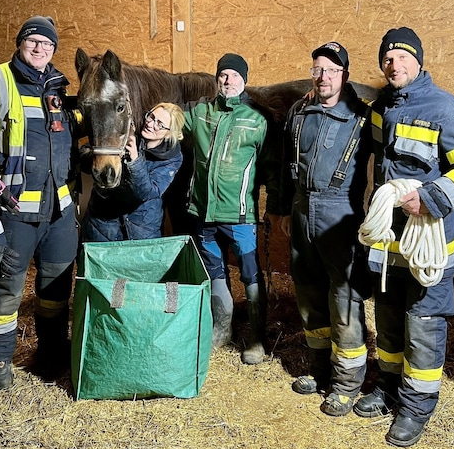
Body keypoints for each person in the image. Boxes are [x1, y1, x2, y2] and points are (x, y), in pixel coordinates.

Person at [355, 27, 454, 447]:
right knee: (390, 318)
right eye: (387, 59)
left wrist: (430, 199)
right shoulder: (383, 108)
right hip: (392, 242)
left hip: (429, 240)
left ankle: (417, 407)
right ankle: (390, 387)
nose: (393, 65)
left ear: (418, 60)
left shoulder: (445, 109)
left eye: (401, 57)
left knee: (424, 324)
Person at [272, 41, 374, 416]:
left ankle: (347, 383)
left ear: (344, 74)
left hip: (339, 212)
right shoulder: (299, 111)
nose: (323, 76)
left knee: (344, 298)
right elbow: (285, 164)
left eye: (331, 70)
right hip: (301, 209)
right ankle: (319, 370)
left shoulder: (362, 117)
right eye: (317, 69)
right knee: (309, 292)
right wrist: (283, 210)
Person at [0, 16, 79, 389]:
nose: (40, 49)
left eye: (47, 44)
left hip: (59, 211)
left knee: (55, 290)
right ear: (20, 43)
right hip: (16, 210)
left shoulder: (59, 87)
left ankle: (51, 353)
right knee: (7, 289)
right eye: (33, 41)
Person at [184, 52, 277, 365]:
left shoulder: (258, 120)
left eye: (235, 75)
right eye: (223, 75)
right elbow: (168, 121)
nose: (228, 80)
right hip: (203, 215)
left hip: (240, 216)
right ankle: (222, 329)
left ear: (244, 80)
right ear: (217, 79)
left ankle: (256, 337)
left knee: (250, 274)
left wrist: (274, 207)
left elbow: (270, 167)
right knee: (215, 273)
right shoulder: (198, 113)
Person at [80, 102, 184, 242]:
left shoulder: (172, 158)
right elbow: (84, 157)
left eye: (159, 124)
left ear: (169, 133)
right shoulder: (125, 133)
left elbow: (146, 193)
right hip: (102, 225)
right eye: (151, 117)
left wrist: (135, 160)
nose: (150, 124)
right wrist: (106, 155)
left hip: (141, 231)